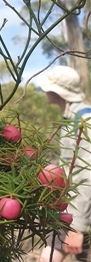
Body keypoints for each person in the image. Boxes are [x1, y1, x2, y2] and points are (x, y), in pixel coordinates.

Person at [38, 65, 91, 262]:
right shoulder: (71, 118)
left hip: (80, 212)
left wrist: (78, 227)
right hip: (75, 209)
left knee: (49, 256)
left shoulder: (85, 121)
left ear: (57, 91)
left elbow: (88, 175)